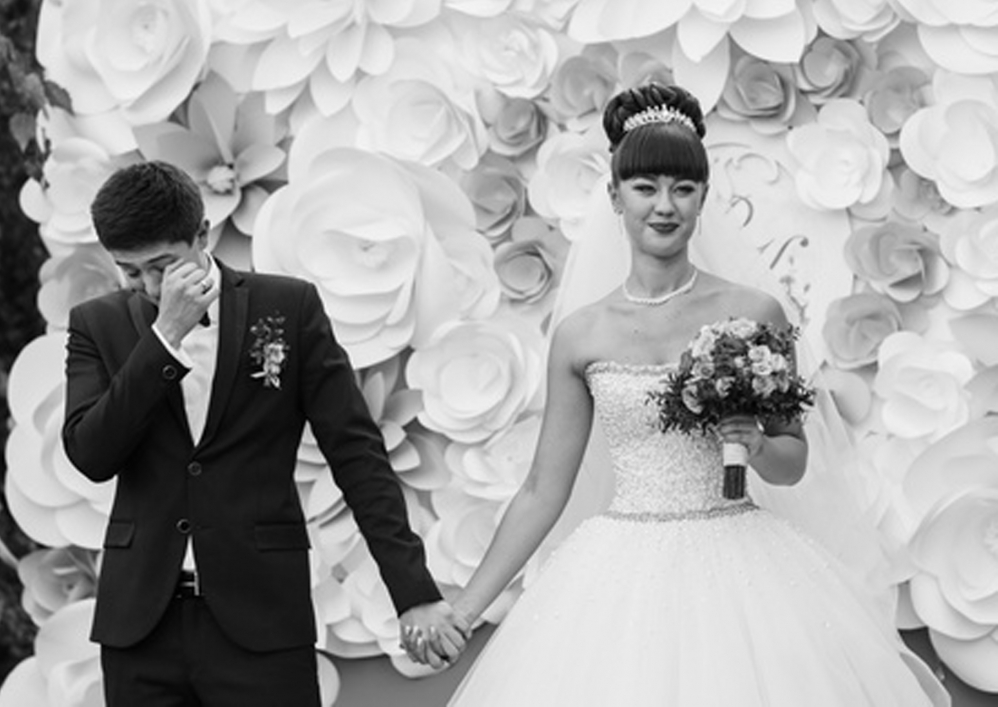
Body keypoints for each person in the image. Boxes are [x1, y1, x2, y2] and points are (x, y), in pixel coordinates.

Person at [439, 84, 950, 706]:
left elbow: (792, 463)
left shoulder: (753, 312)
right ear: (614, 196)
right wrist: (464, 610)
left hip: (742, 564)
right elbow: (543, 489)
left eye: (683, 188)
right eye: (645, 187)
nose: (664, 205)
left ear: (703, 198)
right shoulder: (581, 334)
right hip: (619, 572)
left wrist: (756, 444)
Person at [62, 160, 465, 707]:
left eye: (162, 266)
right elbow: (91, 455)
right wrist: (165, 339)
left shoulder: (288, 309)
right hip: (140, 630)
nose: (150, 287)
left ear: (202, 234)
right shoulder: (96, 324)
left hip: (263, 621)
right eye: (131, 273)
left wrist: (412, 592)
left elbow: (357, 455)